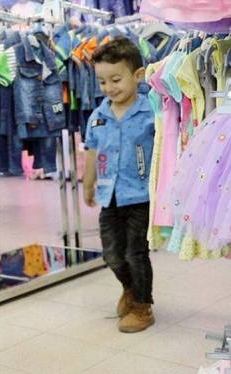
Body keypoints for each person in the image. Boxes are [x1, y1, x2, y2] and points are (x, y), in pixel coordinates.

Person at [83, 37, 156, 333]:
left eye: (116, 79)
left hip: (140, 196)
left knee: (135, 253)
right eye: (102, 82)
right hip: (109, 196)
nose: (109, 88)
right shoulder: (98, 116)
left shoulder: (151, 112)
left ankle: (142, 305)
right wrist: (88, 184)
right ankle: (129, 288)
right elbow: (91, 150)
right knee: (112, 253)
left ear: (137, 76)